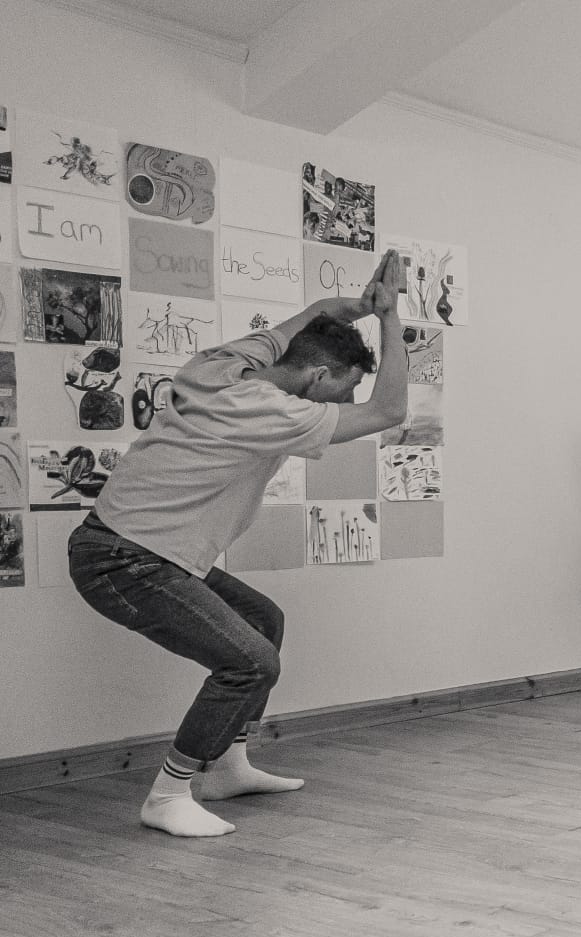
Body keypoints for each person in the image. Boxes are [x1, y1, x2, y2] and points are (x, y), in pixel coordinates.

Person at [68, 251, 410, 838]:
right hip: (126, 558)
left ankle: (227, 767)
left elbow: (317, 313)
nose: (347, 402)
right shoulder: (272, 411)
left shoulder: (221, 365)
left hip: (139, 548)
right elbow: (391, 409)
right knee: (250, 662)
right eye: (345, 389)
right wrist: (391, 317)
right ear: (318, 379)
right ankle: (168, 794)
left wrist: (360, 305)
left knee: (262, 619)